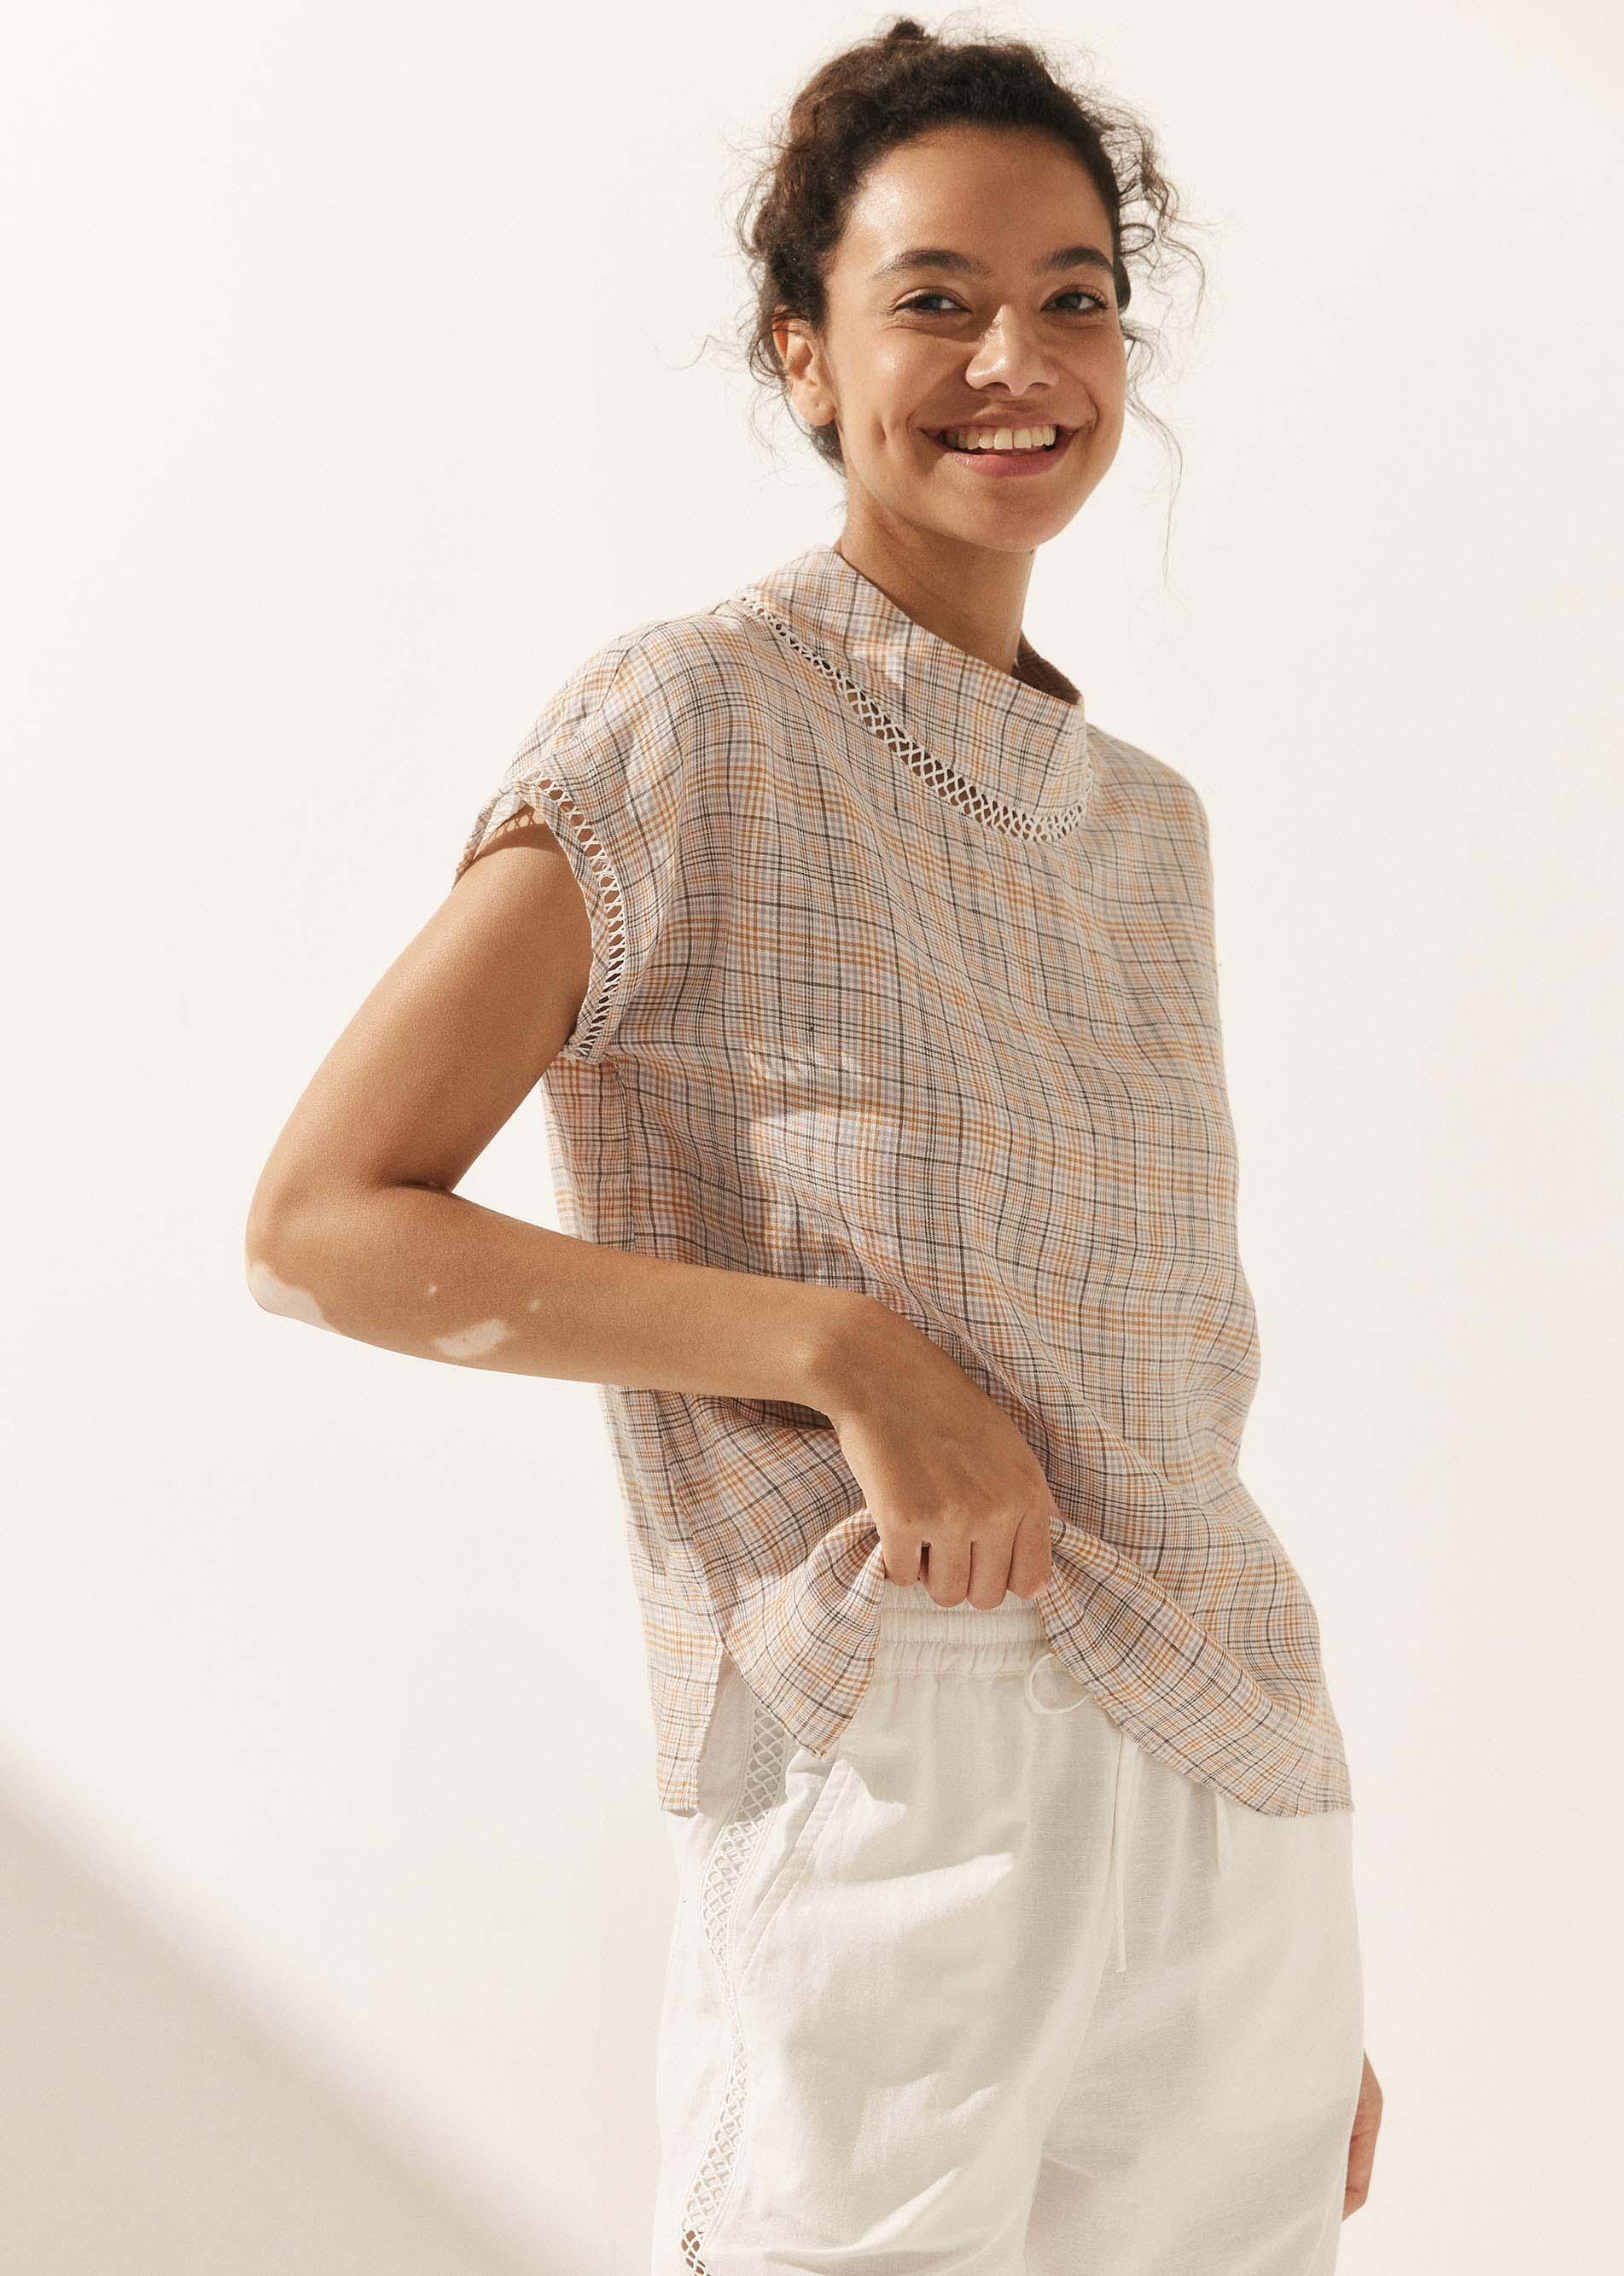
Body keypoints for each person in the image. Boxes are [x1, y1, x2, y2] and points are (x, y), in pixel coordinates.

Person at [245, 15, 1383, 2271]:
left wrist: (1264, 1918)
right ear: (804, 352)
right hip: (903, 1727)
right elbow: (322, 1222)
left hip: (1234, 1766)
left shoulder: (1147, 829)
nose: (1015, 361)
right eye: (934, 297)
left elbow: (1167, 1385)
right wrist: (846, 1353)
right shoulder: (696, 722)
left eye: (1073, 297)